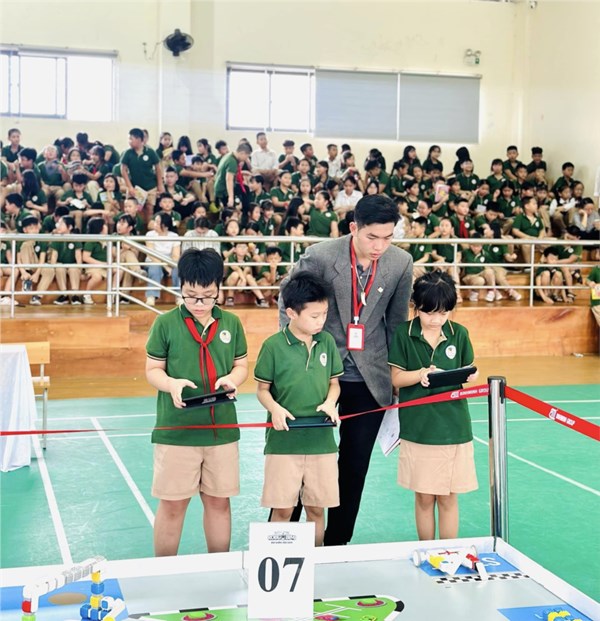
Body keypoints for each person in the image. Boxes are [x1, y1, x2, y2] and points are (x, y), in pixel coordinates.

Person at [278, 194, 413, 546]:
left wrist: (397, 377)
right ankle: (284, 540)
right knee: (302, 461)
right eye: (372, 237)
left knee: (354, 465)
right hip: (318, 371)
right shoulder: (320, 256)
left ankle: (337, 542)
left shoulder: (401, 263)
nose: (379, 246)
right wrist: (294, 358)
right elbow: (288, 303)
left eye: (388, 237)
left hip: (370, 376)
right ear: (354, 228)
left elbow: (396, 323)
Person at [145, 248, 249, 555]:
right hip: (177, 430)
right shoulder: (165, 324)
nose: (200, 304)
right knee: (173, 505)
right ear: (181, 287)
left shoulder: (231, 323)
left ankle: (219, 567)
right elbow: (153, 370)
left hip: (221, 430)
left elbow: (241, 366)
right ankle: (163, 570)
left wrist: (233, 379)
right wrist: (171, 384)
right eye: (191, 296)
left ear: (219, 288)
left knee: (219, 502)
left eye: (207, 296)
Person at [388, 271, 479, 540]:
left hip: (454, 429)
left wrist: (471, 376)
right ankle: (428, 551)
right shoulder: (404, 334)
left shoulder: (459, 333)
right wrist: (420, 374)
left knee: (448, 498)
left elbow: (470, 371)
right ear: (416, 306)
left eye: (443, 313)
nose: (436, 319)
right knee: (425, 498)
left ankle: (447, 553)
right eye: (429, 313)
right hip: (418, 429)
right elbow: (396, 379)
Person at [256, 272, 343, 545]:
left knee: (316, 510)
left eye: (324, 314)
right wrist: (275, 409)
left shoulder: (327, 341)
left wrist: (330, 402)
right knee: (283, 510)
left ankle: (314, 560)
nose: (321, 321)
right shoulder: (272, 346)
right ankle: (275, 557)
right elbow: (262, 390)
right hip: (284, 442)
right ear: (291, 313)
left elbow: (334, 384)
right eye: (314, 316)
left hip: (321, 442)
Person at [120, 128, 164, 219]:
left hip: (150, 187)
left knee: (149, 210)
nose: (129, 141)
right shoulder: (127, 153)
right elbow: (123, 170)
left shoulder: (150, 152)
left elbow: (158, 168)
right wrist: (130, 187)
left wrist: (160, 184)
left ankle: (149, 227)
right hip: (135, 187)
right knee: (131, 210)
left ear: (139, 139)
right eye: (129, 139)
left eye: (131, 139)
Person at [16, 215, 55, 306]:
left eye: (36, 228)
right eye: (31, 228)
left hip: (37, 264)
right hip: (25, 266)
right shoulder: (21, 240)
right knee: (27, 244)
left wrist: (37, 273)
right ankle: (27, 279)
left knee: (50, 270)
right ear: (25, 230)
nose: (35, 230)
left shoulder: (41, 240)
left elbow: (42, 259)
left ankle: (37, 296)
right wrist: (23, 272)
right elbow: (18, 260)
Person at [145, 212, 181, 307]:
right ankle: (151, 296)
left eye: (157, 222)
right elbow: (151, 254)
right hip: (153, 261)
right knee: (155, 268)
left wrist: (169, 265)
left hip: (169, 262)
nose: (154, 224)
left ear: (165, 226)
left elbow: (175, 256)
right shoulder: (150, 234)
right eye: (155, 221)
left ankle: (179, 296)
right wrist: (165, 267)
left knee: (178, 269)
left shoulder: (174, 236)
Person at [49, 215, 83, 305]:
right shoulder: (57, 239)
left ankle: (75, 295)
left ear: (70, 227)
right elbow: (54, 256)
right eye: (58, 223)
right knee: (59, 267)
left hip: (72, 264)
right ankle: (64, 295)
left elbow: (78, 256)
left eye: (61, 224)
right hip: (61, 264)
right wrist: (53, 268)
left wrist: (80, 269)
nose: (58, 226)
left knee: (74, 268)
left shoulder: (75, 239)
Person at [214, 142, 252, 211]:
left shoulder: (229, 155)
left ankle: (246, 212)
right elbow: (229, 179)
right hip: (223, 190)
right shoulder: (232, 162)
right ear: (242, 153)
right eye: (246, 157)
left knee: (245, 189)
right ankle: (245, 213)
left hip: (221, 186)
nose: (246, 159)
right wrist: (231, 197)